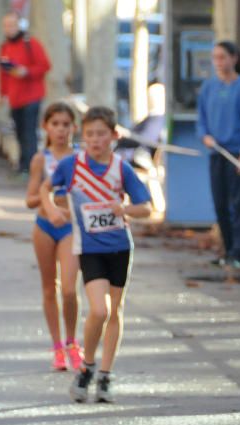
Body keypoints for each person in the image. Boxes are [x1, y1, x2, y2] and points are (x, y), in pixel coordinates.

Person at [39, 106, 152, 403]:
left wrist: (124, 209)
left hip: (120, 247)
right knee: (98, 311)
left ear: (114, 136)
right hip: (89, 249)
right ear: (82, 135)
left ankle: (105, 374)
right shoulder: (72, 166)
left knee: (115, 312)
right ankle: (87, 365)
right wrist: (51, 209)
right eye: (89, 134)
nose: (95, 140)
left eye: (101, 134)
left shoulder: (121, 168)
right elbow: (45, 189)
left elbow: (147, 208)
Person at [24, 101, 82, 373]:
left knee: (70, 289)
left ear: (74, 127)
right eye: (55, 124)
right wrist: (50, 198)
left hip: (71, 227)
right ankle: (57, 346)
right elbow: (30, 199)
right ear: (45, 126)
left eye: (65, 124)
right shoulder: (40, 159)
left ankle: (73, 342)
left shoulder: (81, 158)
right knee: (50, 288)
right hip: (45, 227)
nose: (60, 130)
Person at [196, 41, 240, 268]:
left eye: (223, 57)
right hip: (216, 153)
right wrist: (204, 136)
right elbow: (201, 119)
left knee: (239, 205)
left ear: (234, 58)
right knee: (220, 203)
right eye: (215, 58)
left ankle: (239, 252)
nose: (219, 62)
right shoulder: (209, 87)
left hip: (236, 153)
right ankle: (227, 249)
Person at [0, 11, 51, 174]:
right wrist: (3, 93)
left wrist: (26, 72)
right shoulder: (4, 47)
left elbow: (45, 65)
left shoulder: (31, 43)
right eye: (6, 25)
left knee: (29, 132)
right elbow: (3, 73)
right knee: (19, 132)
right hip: (15, 98)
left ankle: (31, 167)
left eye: (12, 25)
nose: (9, 29)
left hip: (32, 96)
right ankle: (23, 164)